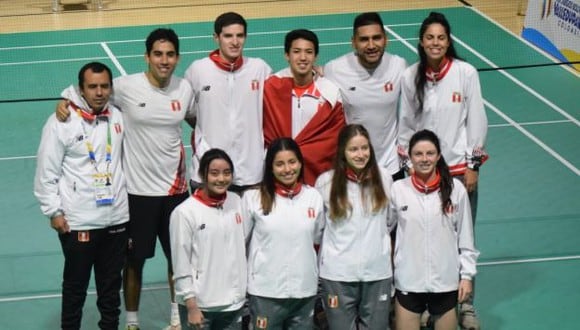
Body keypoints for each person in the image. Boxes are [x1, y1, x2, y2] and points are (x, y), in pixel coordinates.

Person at [56, 28, 195, 330]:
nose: (164, 60)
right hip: (137, 192)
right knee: (133, 262)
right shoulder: (125, 86)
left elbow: (198, 119)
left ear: (177, 57)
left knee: (179, 260)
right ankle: (132, 322)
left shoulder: (185, 89)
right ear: (147, 57)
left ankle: (175, 317)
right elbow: (88, 90)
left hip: (176, 190)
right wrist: (64, 100)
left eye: (170, 54)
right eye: (158, 54)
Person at [397, 12, 488, 329]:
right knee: (424, 237)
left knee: (463, 238)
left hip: (460, 172)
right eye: (429, 37)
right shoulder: (411, 76)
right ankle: (425, 300)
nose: (435, 42)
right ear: (421, 42)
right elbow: (405, 128)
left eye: (441, 37)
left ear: (448, 41)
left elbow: (476, 119)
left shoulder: (465, 73)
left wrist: (473, 165)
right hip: (422, 173)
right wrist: (409, 169)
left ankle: (466, 305)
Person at [34, 62, 129, 330]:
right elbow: (46, 171)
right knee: (75, 288)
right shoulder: (60, 122)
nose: (99, 92)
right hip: (79, 221)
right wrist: (54, 211)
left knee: (111, 290)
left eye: (104, 86)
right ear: (80, 89)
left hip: (116, 219)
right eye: (92, 86)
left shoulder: (119, 116)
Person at [390, 129, 479, 330]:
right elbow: (384, 232)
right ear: (410, 158)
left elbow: (466, 241)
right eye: (418, 154)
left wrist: (466, 277)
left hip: (445, 283)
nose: (424, 159)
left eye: (430, 153)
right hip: (408, 283)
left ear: (438, 156)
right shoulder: (398, 190)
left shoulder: (456, 190)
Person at [314, 124, 394, 330]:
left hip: (377, 273)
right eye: (353, 149)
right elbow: (318, 231)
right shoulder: (325, 183)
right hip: (337, 276)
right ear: (343, 152)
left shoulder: (384, 178)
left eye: (364, 148)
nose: (361, 154)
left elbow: (390, 220)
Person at [242, 137, 325, 329]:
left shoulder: (313, 197)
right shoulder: (253, 198)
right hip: (265, 291)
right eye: (279, 164)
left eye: (292, 162)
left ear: (300, 163)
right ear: (270, 167)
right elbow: (240, 242)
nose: (287, 169)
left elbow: (317, 237)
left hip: (304, 290)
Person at [185, 12, 272, 194]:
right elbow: (188, 111)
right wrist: (204, 141)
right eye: (228, 36)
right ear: (216, 38)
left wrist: (315, 73)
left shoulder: (259, 69)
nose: (235, 42)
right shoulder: (198, 70)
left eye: (240, 36)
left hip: (251, 174)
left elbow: (281, 94)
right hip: (209, 172)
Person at [324, 12, 407, 181]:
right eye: (364, 39)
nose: (371, 45)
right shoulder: (335, 69)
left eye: (376, 38)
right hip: (353, 164)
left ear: (386, 39)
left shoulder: (399, 66)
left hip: (391, 165)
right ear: (353, 42)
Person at [170, 149, 246, 330]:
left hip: (233, 305)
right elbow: (180, 264)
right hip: (200, 308)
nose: (221, 179)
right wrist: (191, 306)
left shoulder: (236, 201)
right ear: (203, 175)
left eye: (227, 173)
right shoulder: (184, 212)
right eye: (214, 173)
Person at [263, 29, 346, 186]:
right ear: (287, 55)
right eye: (296, 52)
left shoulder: (330, 92)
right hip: (278, 172)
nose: (303, 57)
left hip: (318, 175)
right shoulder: (270, 86)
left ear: (315, 56)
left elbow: (335, 139)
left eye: (309, 52)